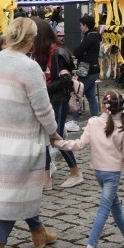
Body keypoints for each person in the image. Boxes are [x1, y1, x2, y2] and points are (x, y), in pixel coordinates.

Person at [0, 17, 60, 248]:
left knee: (22, 189)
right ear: (30, 40)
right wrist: (53, 131)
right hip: (21, 139)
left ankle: (39, 232)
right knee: (14, 193)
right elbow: (43, 108)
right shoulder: (29, 68)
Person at [54, 91, 124, 248]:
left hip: (98, 173)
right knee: (104, 209)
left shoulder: (93, 122)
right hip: (112, 174)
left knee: (114, 204)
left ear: (103, 105)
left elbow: (78, 144)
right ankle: (91, 247)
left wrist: (58, 142)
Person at [31, 17, 84, 190]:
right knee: (46, 138)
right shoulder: (42, 52)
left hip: (57, 101)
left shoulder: (58, 53)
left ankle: (75, 172)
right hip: (47, 100)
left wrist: (43, 89)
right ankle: (46, 177)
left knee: (55, 137)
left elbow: (65, 80)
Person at [68, 14, 101, 130]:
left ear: (86, 26)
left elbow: (78, 51)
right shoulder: (94, 36)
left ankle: (75, 121)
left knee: (78, 93)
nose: (80, 27)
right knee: (91, 96)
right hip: (92, 69)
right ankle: (95, 122)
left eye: (81, 25)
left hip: (88, 70)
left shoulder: (90, 37)